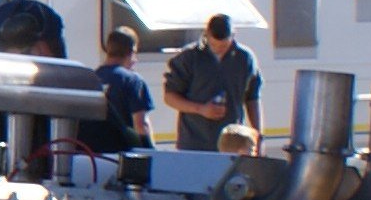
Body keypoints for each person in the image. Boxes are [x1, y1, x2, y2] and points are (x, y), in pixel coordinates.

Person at [161, 14, 260, 150]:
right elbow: (170, 97)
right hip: (194, 141)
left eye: (224, 46)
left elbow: (253, 99)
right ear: (206, 34)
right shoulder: (189, 57)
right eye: (214, 45)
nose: (218, 49)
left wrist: (258, 135)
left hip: (233, 143)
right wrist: (201, 109)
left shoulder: (245, 58)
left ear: (233, 36)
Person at [90, 26, 154, 150]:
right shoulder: (133, 80)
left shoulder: (91, 78)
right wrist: (149, 150)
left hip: (95, 152)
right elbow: (141, 124)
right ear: (132, 51)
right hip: (123, 152)